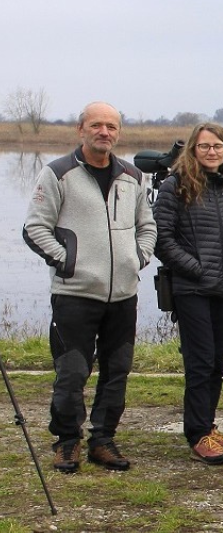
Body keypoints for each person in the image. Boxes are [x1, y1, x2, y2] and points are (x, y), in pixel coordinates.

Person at [23, 102, 155, 472]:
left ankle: (103, 440)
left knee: (117, 370)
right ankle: (67, 442)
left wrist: (138, 257)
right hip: (75, 295)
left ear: (118, 133)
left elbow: (148, 226)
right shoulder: (57, 174)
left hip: (123, 295)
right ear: (80, 129)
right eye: (96, 125)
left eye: (111, 126)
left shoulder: (132, 176)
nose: (104, 132)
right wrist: (68, 261)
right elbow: (35, 228)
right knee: (72, 372)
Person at [154, 122, 223, 464]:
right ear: (193, 149)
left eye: (219, 146)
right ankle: (196, 434)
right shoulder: (175, 186)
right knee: (199, 361)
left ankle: (207, 425)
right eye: (205, 146)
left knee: (216, 361)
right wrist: (196, 268)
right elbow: (162, 239)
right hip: (193, 289)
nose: (212, 152)